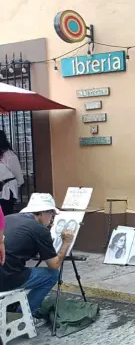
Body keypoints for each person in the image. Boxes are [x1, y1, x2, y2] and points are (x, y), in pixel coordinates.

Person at [0, 193, 74, 325]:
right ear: (43, 212)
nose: (52, 219)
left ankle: (14, 309)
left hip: (4, 271)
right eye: (52, 214)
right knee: (51, 275)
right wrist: (66, 243)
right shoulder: (38, 229)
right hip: (6, 278)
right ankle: (22, 317)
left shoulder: (8, 217)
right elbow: (54, 264)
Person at [0, 130, 24, 215]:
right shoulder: (9, 155)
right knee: (5, 215)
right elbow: (17, 173)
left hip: (6, 189)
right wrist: (19, 183)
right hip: (6, 189)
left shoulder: (9, 155)